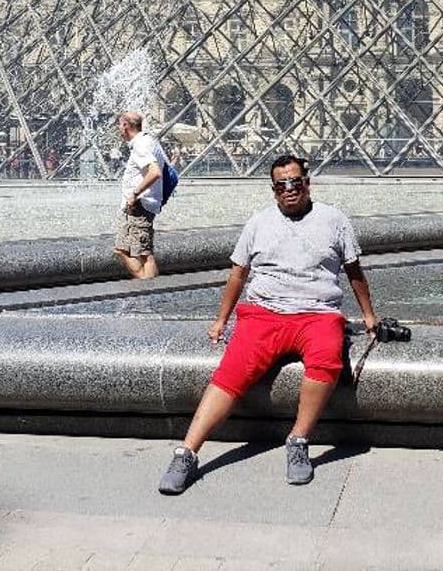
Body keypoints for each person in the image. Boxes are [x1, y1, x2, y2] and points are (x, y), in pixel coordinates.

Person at [158, 155, 380, 495]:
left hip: (318, 313)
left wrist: (368, 314)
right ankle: (186, 452)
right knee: (230, 371)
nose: (289, 190)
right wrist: (221, 320)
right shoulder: (258, 222)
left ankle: (299, 439)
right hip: (264, 314)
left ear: (308, 182)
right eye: (281, 185)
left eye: (295, 182)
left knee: (327, 360)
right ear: (273, 190)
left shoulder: (335, 220)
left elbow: (353, 271)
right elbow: (237, 274)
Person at [113, 111, 168, 280]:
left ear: (126, 125)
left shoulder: (140, 145)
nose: (118, 130)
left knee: (145, 255)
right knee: (121, 250)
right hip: (138, 206)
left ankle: (149, 293)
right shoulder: (150, 141)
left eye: (119, 125)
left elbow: (155, 172)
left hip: (140, 206)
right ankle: (145, 285)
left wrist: (135, 194)